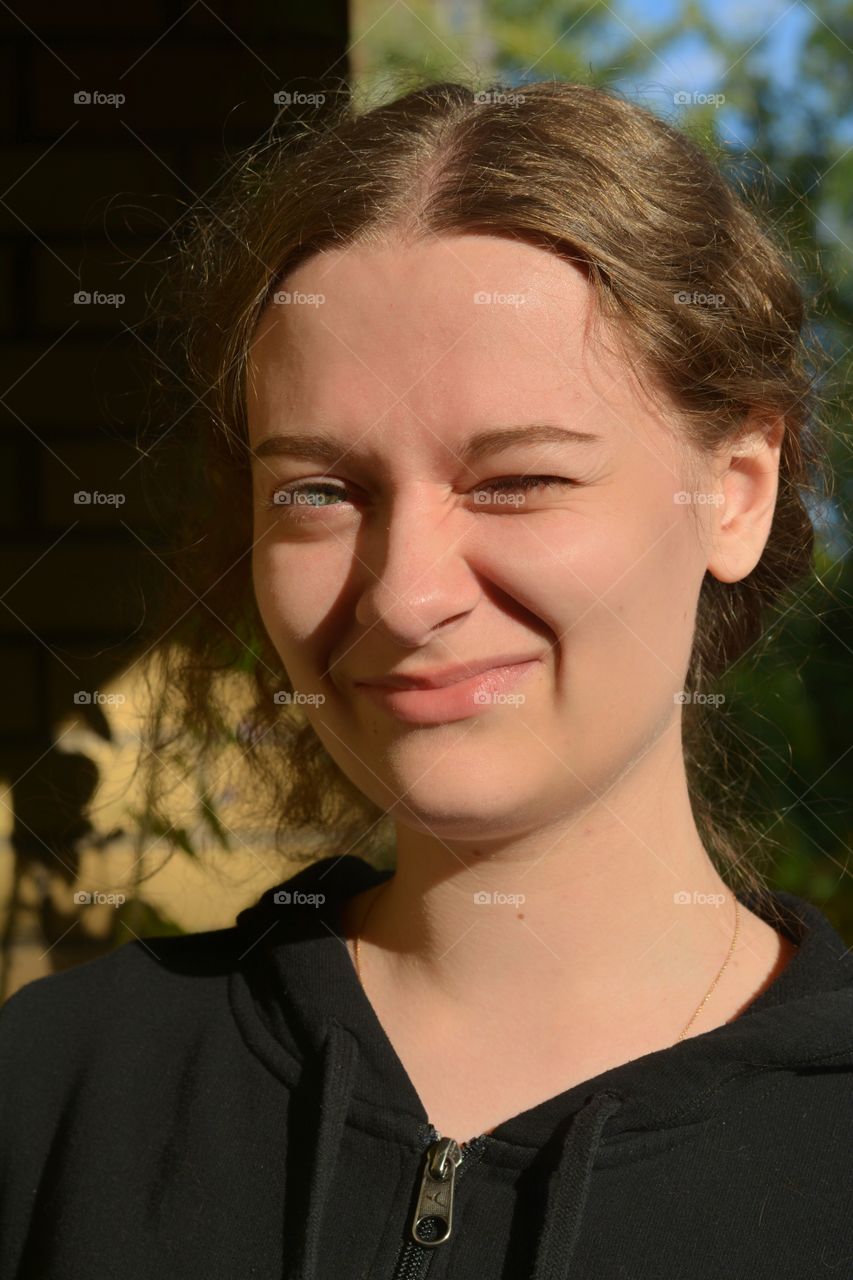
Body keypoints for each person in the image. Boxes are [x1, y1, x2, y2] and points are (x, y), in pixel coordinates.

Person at [2, 78, 851, 1280]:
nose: (404, 593)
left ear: (737, 491)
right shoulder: (55, 1092)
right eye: (317, 490)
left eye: (516, 480)